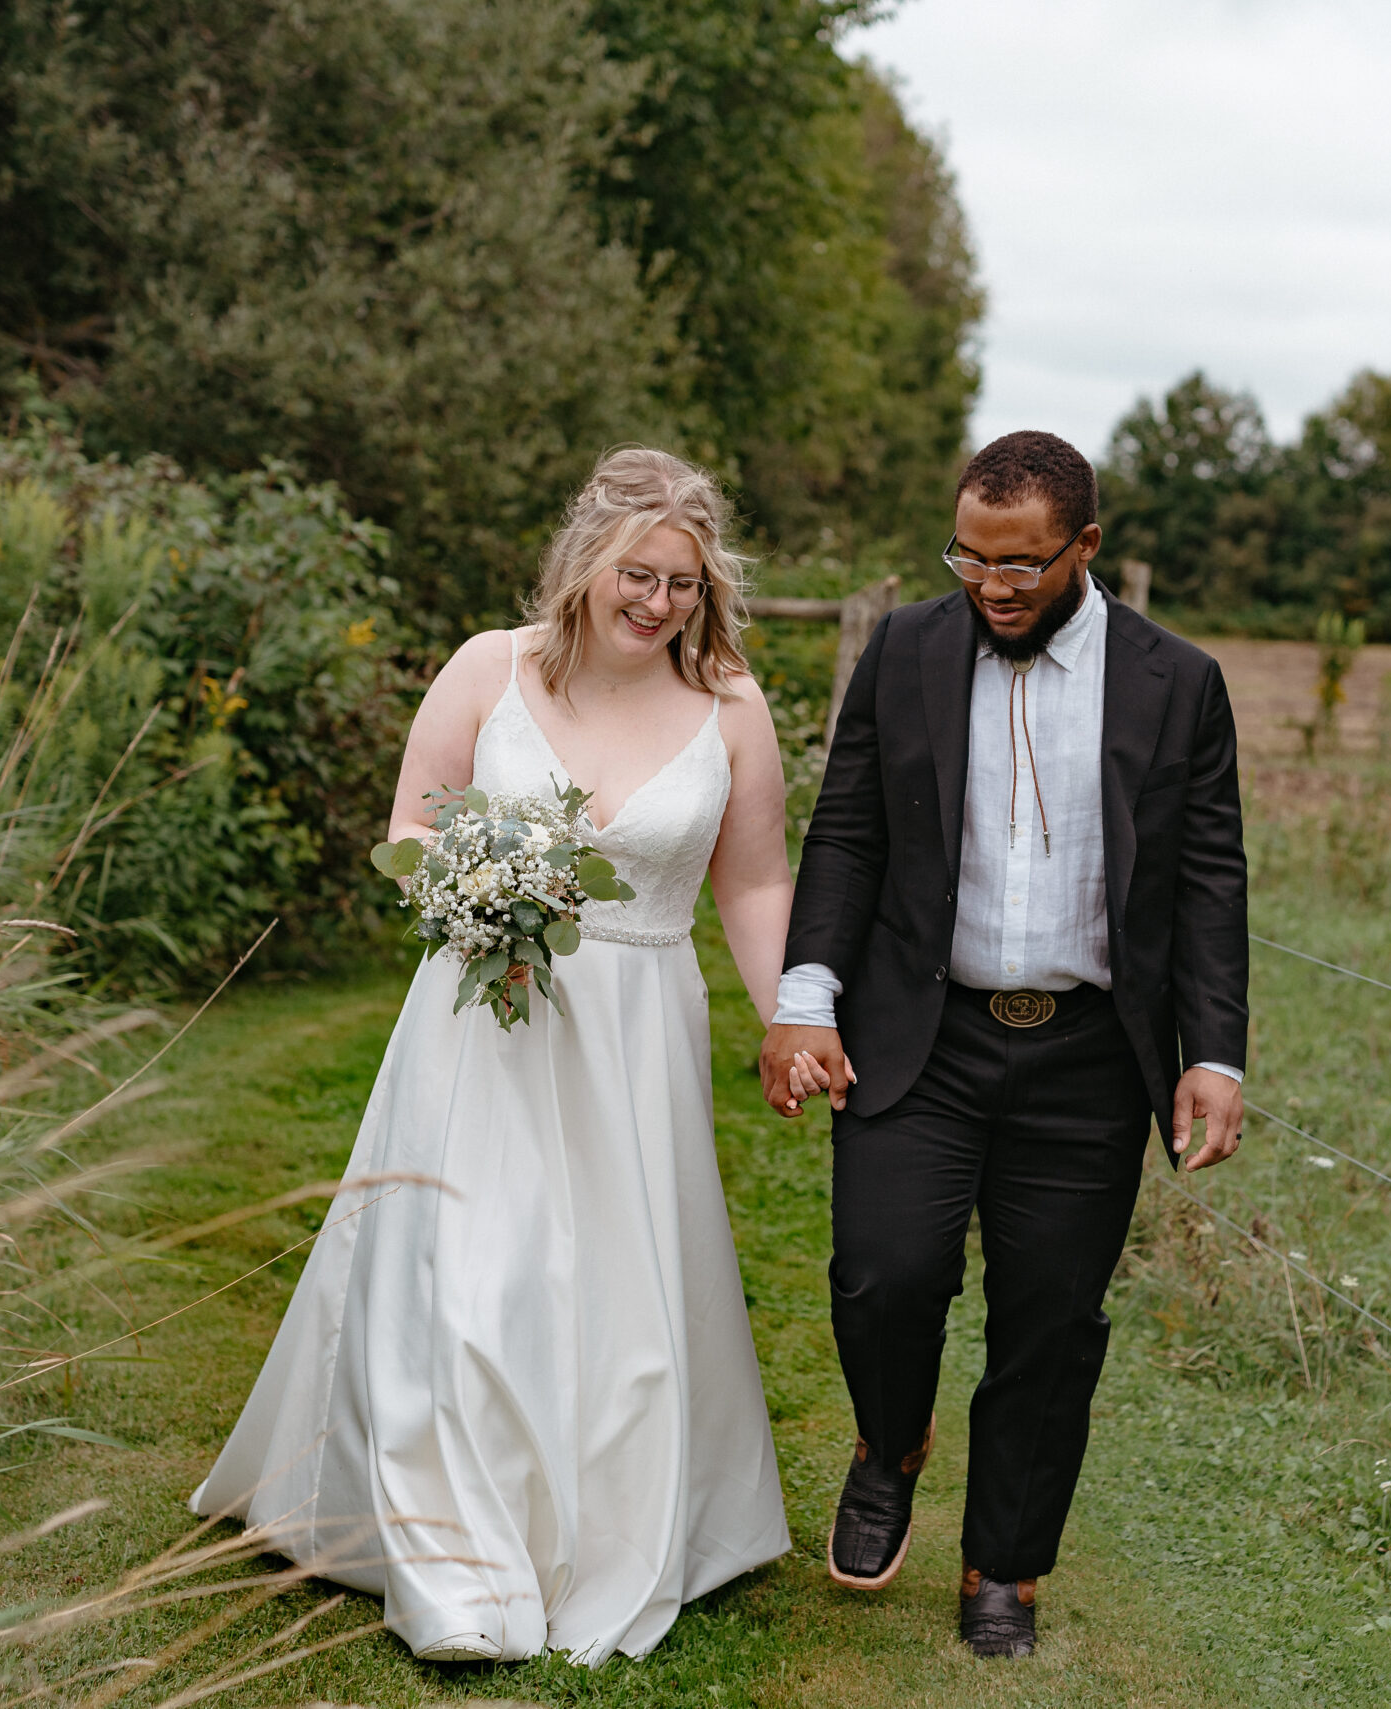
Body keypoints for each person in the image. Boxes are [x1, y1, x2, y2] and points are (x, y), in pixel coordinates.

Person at [191, 448, 795, 1665]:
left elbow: (755, 877)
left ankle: (615, 1522)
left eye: (682, 584)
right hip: (484, 1015)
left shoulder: (729, 703)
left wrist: (792, 1017)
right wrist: (476, 896)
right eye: (639, 574)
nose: (659, 604)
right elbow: (412, 825)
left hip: (637, 1035)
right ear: (585, 563)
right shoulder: (489, 667)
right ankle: (455, 1559)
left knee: (625, 1297)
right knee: (470, 1276)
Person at [761, 430, 1249, 1660]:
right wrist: (806, 996)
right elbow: (849, 834)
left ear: (1084, 547)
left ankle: (1003, 1569)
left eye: (1022, 562)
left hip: (1088, 1057)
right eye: (971, 558)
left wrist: (1216, 1054)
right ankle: (888, 1443)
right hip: (920, 1035)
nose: (994, 585)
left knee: (1048, 1320)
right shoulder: (905, 650)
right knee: (882, 1273)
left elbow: (1207, 879)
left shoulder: (1176, 682)